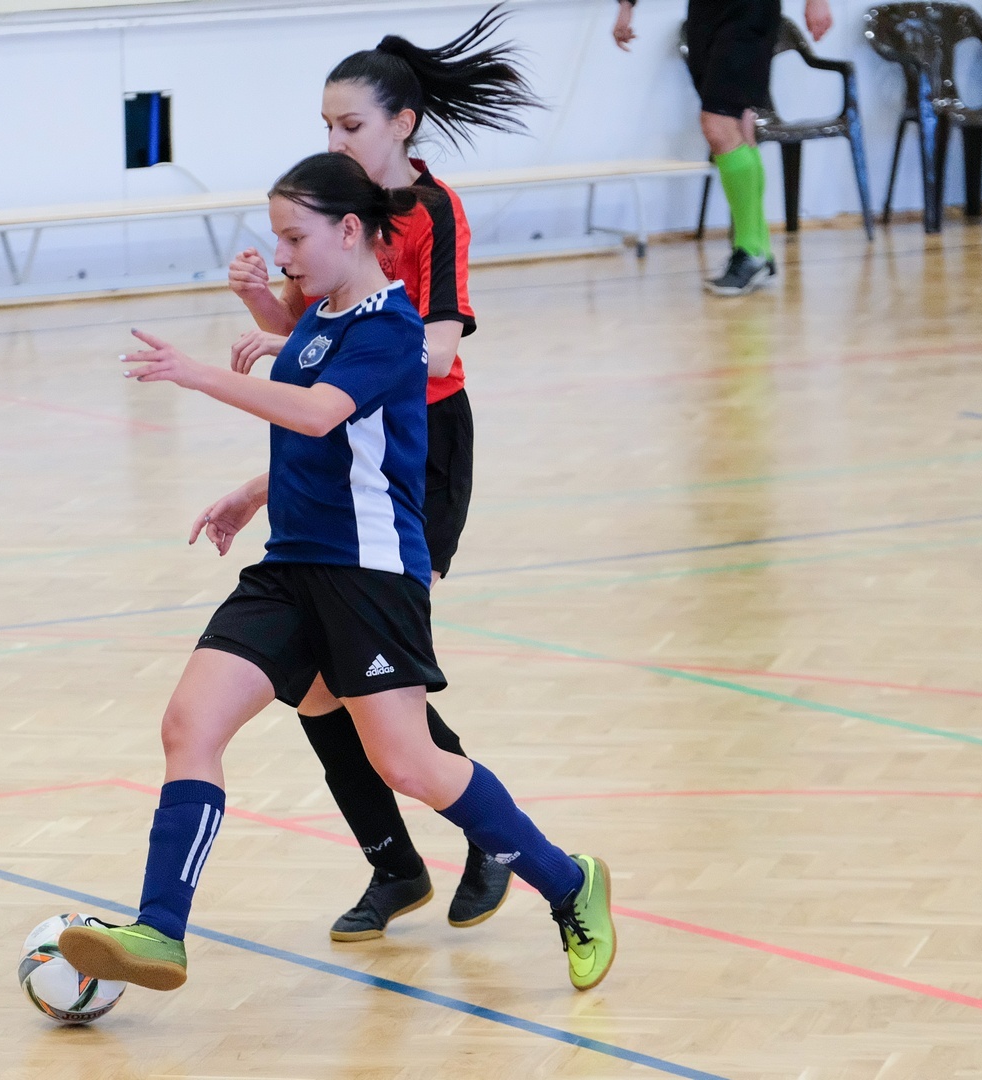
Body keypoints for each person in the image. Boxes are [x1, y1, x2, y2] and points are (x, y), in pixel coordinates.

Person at [57, 152, 615, 996]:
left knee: (411, 766)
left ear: (349, 229)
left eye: (295, 238)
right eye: (278, 239)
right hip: (290, 569)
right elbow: (323, 440)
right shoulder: (320, 319)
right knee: (189, 726)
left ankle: (569, 885)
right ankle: (161, 932)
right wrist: (255, 492)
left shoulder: (391, 328)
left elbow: (320, 415)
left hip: (369, 576)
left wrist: (197, 374)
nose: (283, 255)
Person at [221, 12, 536, 943]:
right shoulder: (332, 208)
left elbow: (423, 350)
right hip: (348, 443)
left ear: (402, 124)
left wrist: (352, 363)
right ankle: (395, 866)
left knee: (376, 678)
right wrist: (262, 300)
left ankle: (493, 838)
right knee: (320, 681)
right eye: (325, 125)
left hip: (419, 449)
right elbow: (315, 338)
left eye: (350, 125)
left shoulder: (430, 213)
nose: (334, 141)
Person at [613, 0, 832, 295]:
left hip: (749, 12)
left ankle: (750, 251)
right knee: (739, 126)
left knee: (717, 125)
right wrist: (626, 6)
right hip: (705, 15)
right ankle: (759, 252)